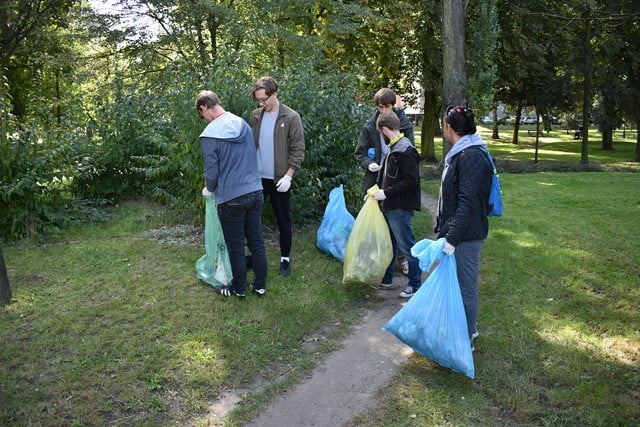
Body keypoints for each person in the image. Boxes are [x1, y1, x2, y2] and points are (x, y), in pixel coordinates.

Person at [196, 90, 268, 298]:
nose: (204, 119)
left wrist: (209, 189)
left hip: (231, 197)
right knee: (256, 240)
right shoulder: (242, 125)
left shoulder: (209, 135)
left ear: (204, 108)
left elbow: (212, 172)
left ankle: (238, 289)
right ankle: (260, 285)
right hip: (255, 190)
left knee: (235, 245)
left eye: (202, 115)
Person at [436, 105, 493, 348]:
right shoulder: (463, 151)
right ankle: (464, 328)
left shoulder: (470, 155)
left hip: (467, 235)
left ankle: (466, 337)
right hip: (460, 230)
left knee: (466, 288)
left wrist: (452, 238)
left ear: (449, 128)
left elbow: (467, 201)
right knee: (458, 285)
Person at [354, 88, 415, 276]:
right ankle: (378, 262)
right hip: (376, 180)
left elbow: (411, 154)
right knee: (377, 222)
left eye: (388, 106)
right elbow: (359, 153)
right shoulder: (370, 126)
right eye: (381, 107)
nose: (385, 111)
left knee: (400, 223)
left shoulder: (404, 125)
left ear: (393, 105)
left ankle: (403, 260)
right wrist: (369, 163)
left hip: (398, 182)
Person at [250, 76, 305, 277]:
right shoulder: (256, 116)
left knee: (283, 219)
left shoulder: (291, 117)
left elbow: (298, 150)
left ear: (274, 94)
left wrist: (289, 175)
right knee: (253, 219)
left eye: (264, 99)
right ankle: (255, 256)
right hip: (257, 179)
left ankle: (285, 259)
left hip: (280, 179)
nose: (261, 103)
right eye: (258, 100)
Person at [368, 112, 422, 298]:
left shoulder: (403, 150)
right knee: (391, 244)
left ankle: (415, 284)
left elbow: (412, 180)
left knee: (407, 246)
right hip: (391, 206)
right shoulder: (395, 147)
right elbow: (391, 178)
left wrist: (387, 193)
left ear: (384, 129)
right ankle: (388, 279)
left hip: (399, 208)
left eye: (380, 133)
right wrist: (376, 192)